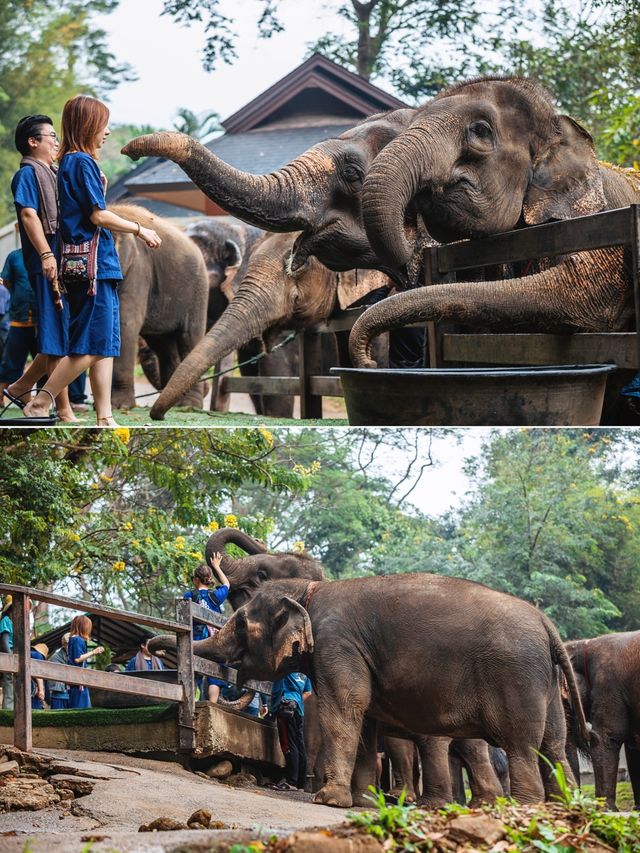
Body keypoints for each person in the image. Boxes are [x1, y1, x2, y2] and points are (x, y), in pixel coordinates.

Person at [22, 95, 161, 426]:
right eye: (103, 125)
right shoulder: (81, 162)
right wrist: (140, 229)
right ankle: (42, 401)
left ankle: (104, 416)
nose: (108, 132)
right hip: (95, 265)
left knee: (105, 345)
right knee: (92, 345)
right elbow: (98, 216)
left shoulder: (69, 162)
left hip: (83, 265)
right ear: (88, 126)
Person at [3, 115, 75, 420]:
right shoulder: (28, 175)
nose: (56, 142)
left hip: (62, 262)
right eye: (52, 136)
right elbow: (30, 216)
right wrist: (46, 255)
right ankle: (61, 405)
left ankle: (22, 387)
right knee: (57, 340)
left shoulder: (53, 174)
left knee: (62, 339)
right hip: (49, 265)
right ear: (33, 142)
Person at [183, 552, 230, 703]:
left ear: (196, 580)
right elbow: (227, 584)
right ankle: (212, 705)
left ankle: (192, 702)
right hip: (214, 640)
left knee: (193, 669)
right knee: (214, 673)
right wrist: (216, 566)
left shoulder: (189, 596)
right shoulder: (215, 596)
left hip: (196, 639)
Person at [270, 671, 313, 791]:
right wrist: (297, 700)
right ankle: (300, 784)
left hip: (286, 706)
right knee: (300, 745)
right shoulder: (305, 673)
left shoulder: (287, 668)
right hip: (298, 709)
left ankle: (291, 781)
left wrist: (274, 708)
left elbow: (277, 689)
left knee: (290, 744)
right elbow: (308, 692)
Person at [67, 615, 104, 709]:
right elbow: (77, 658)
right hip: (78, 681)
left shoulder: (73, 639)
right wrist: (94, 652)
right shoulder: (77, 640)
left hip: (75, 680)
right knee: (80, 709)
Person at [46, 633, 70, 710]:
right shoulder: (56, 657)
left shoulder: (73, 655)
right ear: (64, 645)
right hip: (59, 694)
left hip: (71, 694)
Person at [0, 596, 14, 710]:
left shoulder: (16, 622)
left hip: (15, 654)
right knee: (9, 684)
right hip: (9, 653)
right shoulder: (6, 620)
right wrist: (11, 659)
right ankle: (8, 711)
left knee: (16, 685)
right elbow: (4, 642)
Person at [30, 642, 49, 710]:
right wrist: (41, 690)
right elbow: (37, 673)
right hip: (32, 689)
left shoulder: (29, 653)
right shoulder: (38, 656)